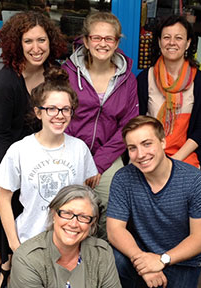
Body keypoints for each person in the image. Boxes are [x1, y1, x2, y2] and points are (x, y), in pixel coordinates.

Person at [0, 11, 66, 288]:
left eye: (41, 40)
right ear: (17, 44)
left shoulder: (55, 72)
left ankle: (10, 257)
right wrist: (18, 170)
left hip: (31, 150)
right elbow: (0, 134)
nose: (36, 47)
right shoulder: (8, 80)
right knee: (4, 194)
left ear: (51, 41)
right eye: (28, 41)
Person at [0, 67, 97, 288]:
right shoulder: (20, 150)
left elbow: (86, 194)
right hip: (31, 243)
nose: (59, 115)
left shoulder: (79, 149)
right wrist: (14, 245)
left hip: (68, 245)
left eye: (65, 109)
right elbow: (3, 198)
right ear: (38, 112)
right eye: (51, 108)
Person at [106, 116, 201, 288]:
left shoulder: (194, 181)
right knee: (112, 257)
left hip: (182, 260)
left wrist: (161, 260)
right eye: (132, 148)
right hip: (141, 252)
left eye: (147, 144)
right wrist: (142, 260)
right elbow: (114, 230)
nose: (140, 154)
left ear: (163, 142)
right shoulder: (123, 178)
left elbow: (200, 239)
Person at [0, 185, 132, 288]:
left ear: (92, 223)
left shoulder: (101, 253)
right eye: (66, 213)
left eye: (84, 217)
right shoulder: (27, 259)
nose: (73, 223)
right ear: (54, 214)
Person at [62, 11, 139, 239]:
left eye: (109, 39)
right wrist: (82, 158)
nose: (102, 44)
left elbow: (127, 125)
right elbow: (60, 117)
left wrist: (98, 163)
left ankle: (101, 255)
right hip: (71, 150)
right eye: (96, 38)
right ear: (86, 41)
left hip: (107, 154)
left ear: (116, 43)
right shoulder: (67, 74)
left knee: (110, 204)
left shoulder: (127, 79)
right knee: (70, 205)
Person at [137, 15, 201, 171]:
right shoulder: (145, 79)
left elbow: (200, 131)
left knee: (179, 188)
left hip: (185, 155)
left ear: (188, 43)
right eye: (166, 37)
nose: (172, 42)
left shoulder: (200, 82)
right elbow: (137, 124)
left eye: (179, 38)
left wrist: (173, 161)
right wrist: (153, 156)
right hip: (149, 154)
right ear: (159, 42)